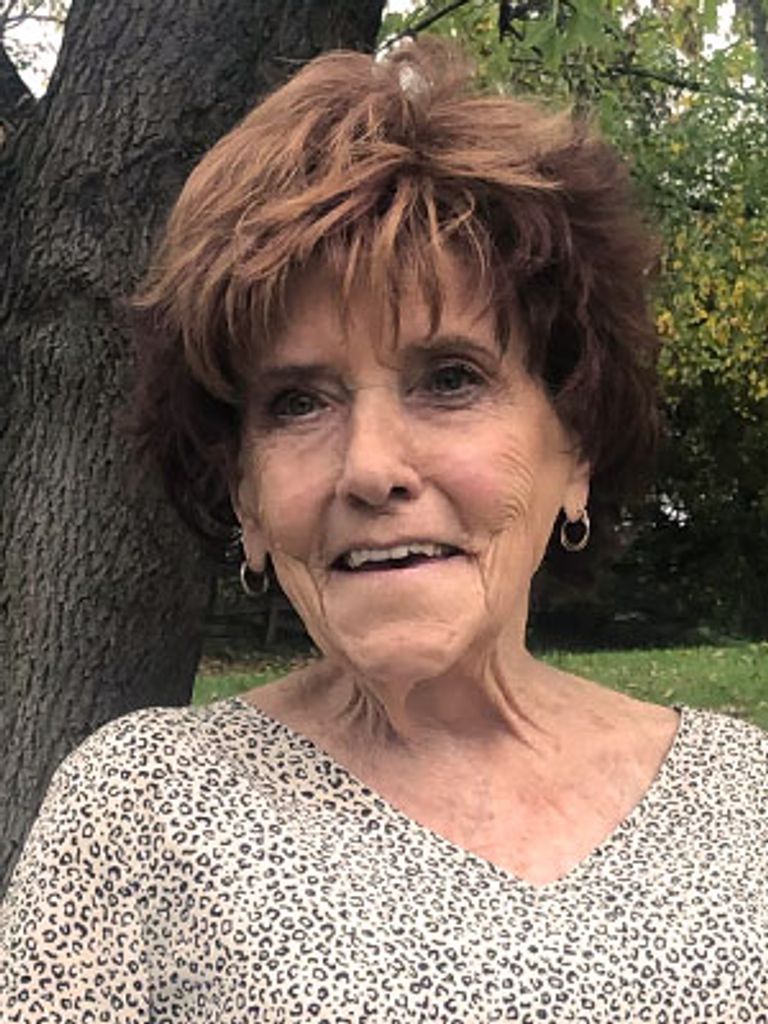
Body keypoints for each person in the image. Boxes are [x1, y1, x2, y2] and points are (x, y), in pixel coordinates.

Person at [2, 40, 765, 1023]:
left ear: (574, 444)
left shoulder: (744, 793)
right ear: (245, 496)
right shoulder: (141, 812)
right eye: (297, 402)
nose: (370, 467)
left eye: (449, 380)